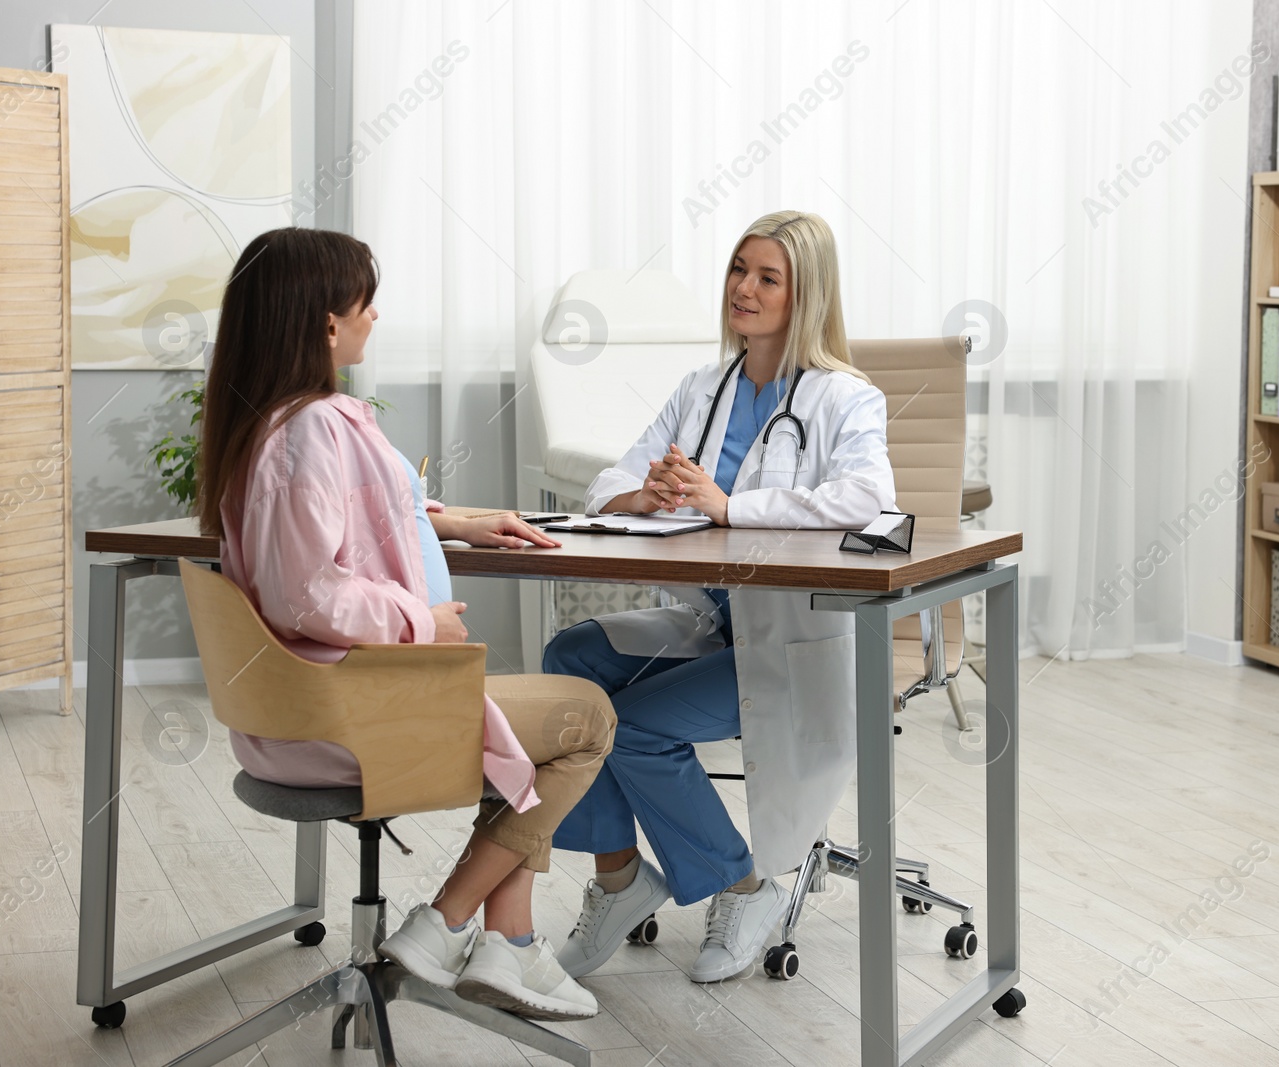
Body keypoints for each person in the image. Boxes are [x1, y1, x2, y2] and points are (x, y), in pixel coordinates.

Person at [196, 227, 614, 1021]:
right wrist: (418, 620)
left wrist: (448, 520)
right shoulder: (313, 427)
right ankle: (449, 921)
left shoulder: (269, 426)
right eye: (365, 300)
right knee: (584, 717)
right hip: (351, 718)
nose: (375, 316)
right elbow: (306, 591)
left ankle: (512, 942)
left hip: (304, 713)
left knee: (537, 726)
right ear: (326, 322)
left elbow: (338, 516)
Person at [543, 210, 896, 984]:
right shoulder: (702, 388)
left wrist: (729, 504)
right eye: (739, 269)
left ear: (804, 295)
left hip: (792, 641)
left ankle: (744, 885)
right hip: (711, 622)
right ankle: (619, 880)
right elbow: (610, 478)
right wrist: (644, 493)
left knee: (631, 729)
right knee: (569, 660)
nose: (744, 287)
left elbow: (870, 496)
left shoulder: (844, 397)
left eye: (767, 277)